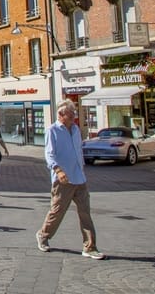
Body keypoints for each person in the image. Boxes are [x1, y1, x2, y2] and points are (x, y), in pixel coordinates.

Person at [36, 100, 105, 260]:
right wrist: (58, 170)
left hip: (79, 178)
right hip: (63, 180)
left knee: (85, 213)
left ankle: (90, 247)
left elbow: (77, 151)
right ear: (61, 115)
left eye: (74, 113)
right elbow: (49, 154)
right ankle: (43, 235)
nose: (74, 116)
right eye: (71, 113)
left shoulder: (75, 130)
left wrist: (82, 167)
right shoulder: (52, 130)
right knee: (57, 211)